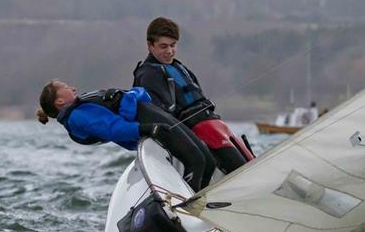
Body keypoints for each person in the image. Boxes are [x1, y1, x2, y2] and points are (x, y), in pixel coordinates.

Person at [36, 80, 216, 191]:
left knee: (207, 159)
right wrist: (149, 128)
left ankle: (202, 208)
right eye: (67, 87)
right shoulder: (77, 117)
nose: (73, 88)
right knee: (197, 161)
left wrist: (135, 96)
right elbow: (115, 129)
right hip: (147, 120)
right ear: (59, 101)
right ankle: (188, 212)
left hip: (148, 114)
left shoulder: (79, 106)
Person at [133, 17, 254, 173]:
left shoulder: (179, 67)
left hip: (215, 124)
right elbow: (159, 114)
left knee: (252, 164)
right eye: (163, 46)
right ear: (150, 45)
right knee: (242, 170)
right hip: (196, 131)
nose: (169, 51)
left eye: (173, 45)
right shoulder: (149, 74)